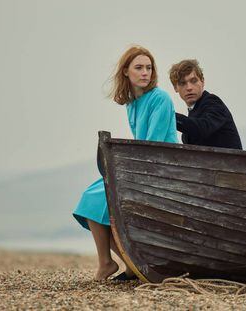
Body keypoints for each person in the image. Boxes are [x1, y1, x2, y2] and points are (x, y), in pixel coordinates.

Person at [72, 46, 178, 281]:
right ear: (126, 72)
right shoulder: (132, 104)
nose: (145, 73)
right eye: (139, 67)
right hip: (141, 167)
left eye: (149, 68)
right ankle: (117, 263)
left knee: (95, 197)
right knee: (91, 199)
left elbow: (153, 144)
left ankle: (113, 264)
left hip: (164, 169)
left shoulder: (159, 98)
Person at [169, 59, 242, 149]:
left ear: (202, 81)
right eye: (182, 83)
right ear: (175, 88)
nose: (189, 87)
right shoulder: (194, 111)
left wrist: (168, 115)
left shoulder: (213, 102)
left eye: (193, 81)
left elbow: (201, 128)